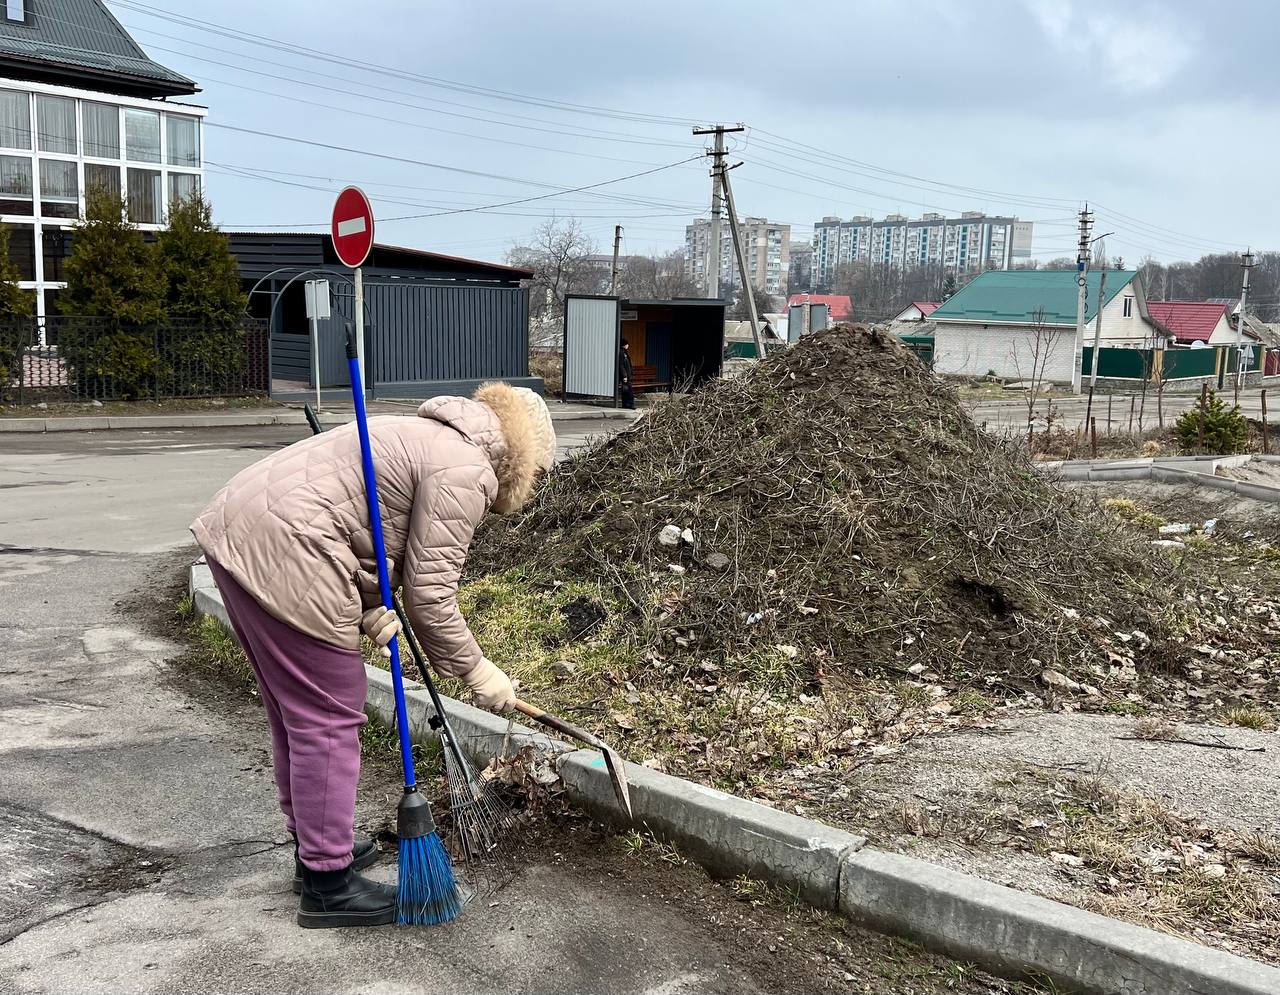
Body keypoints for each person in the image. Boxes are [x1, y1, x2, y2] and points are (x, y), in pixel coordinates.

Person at [191, 383, 556, 928]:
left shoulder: (427, 436)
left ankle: (315, 849)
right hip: (294, 548)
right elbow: (431, 596)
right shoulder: (467, 469)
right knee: (330, 715)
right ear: (523, 459)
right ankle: (327, 885)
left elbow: (367, 526)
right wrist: (478, 671)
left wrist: (365, 604)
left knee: (296, 713)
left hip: (243, 533)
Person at [619, 339, 635, 410]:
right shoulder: (622, 353)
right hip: (626, 376)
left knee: (625, 390)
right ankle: (630, 404)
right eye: (627, 344)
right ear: (624, 345)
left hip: (627, 375)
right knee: (629, 391)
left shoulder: (624, 352)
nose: (628, 345)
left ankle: (625, 404)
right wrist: (624, 375)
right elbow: (621, 365)